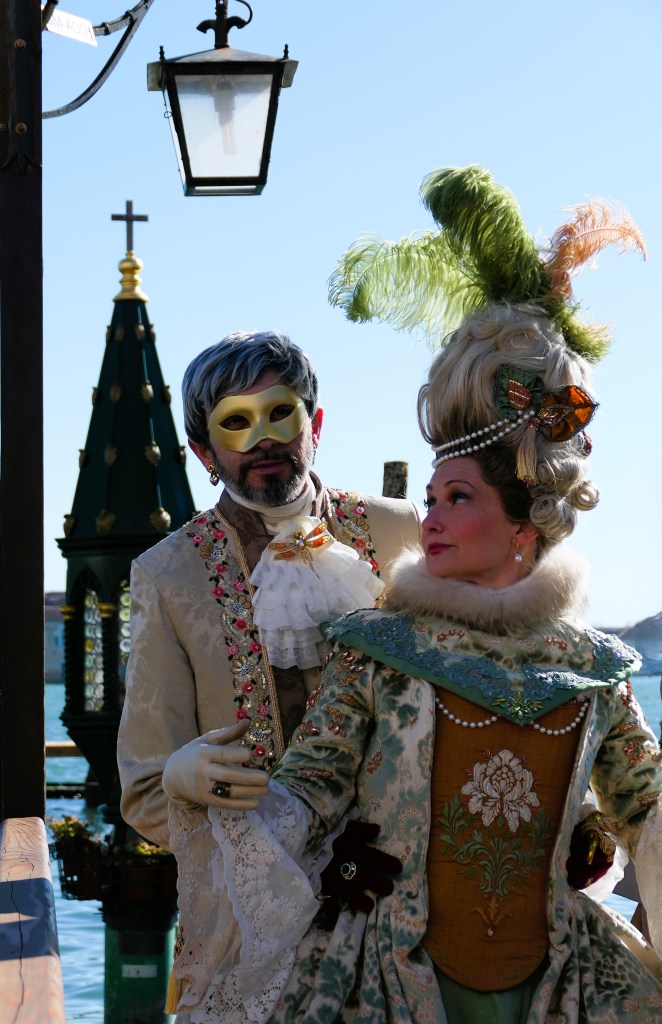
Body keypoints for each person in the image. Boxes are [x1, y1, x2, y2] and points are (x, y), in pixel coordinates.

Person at [164, 169, 662, 1024]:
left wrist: (589, 830)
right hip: (387, 984)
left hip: (562, 989)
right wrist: (192, 787)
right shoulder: (378, 652)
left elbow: (646, 812)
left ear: (525, 523)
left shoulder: (595, 673)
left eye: (457, 497)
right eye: (429, 497)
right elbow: (300, 800)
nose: (429, 518)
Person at [117, 330, 420, 849]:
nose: (263, 440)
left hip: (400, 867)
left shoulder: (400, 527)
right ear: (203, 452)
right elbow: (145, 794)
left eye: (280, 413)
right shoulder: (166, 574)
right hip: (261, 888)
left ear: (315, 425)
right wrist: (186, 787)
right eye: (236, 422)